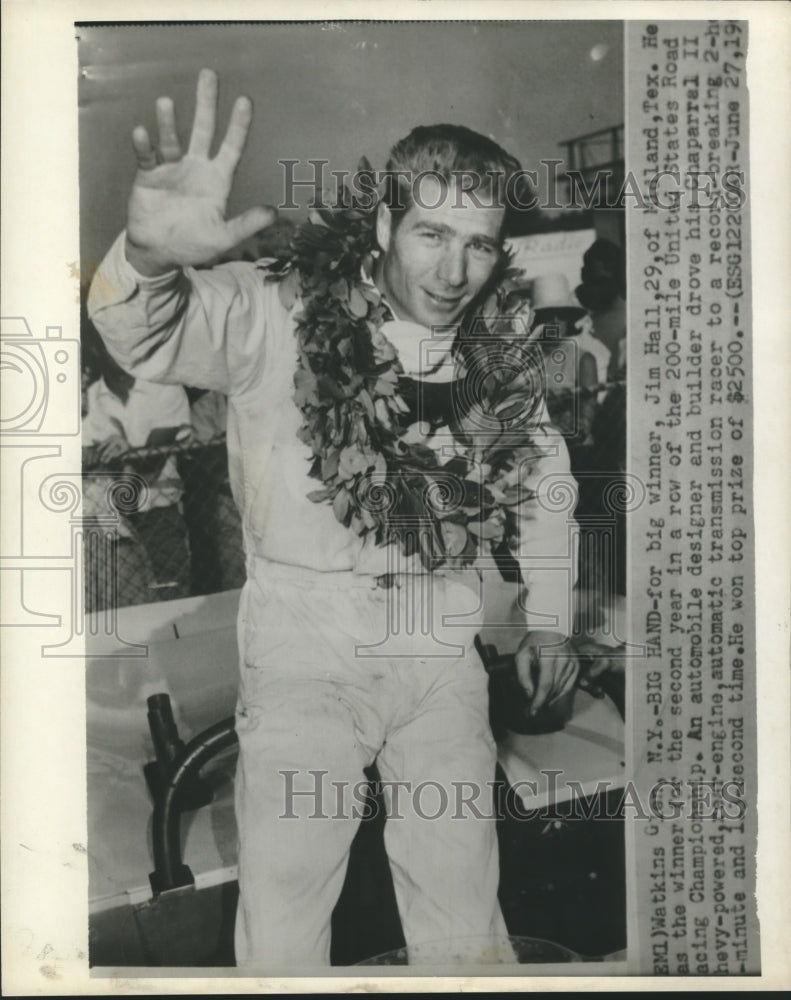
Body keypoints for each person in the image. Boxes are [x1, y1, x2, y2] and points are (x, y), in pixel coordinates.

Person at [88, 69, 580, 968]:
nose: (453, 270)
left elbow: (544, 473)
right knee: (284, 913)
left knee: (463, 901)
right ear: (387, 223)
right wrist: (150, 258)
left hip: (438, 640)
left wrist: (548, 613)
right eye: (432, 234)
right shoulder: (273, 306)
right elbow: (144, 333)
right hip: (305, 645)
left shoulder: (493, 345)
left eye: (478, 244)